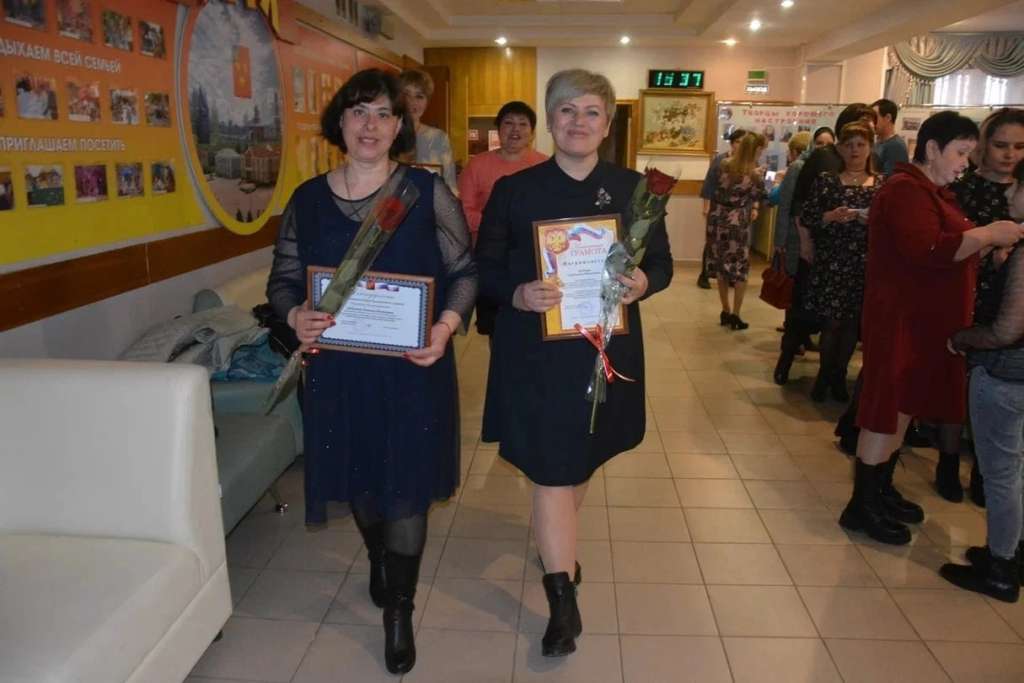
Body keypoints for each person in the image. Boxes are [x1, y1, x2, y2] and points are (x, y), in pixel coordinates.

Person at [265, 69, 477, 675]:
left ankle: (399, 610)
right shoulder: (308, 199)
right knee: (360, 478)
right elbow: (282, 280)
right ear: (340, 121)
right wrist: (296, 314)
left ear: (399, 126)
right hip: (339, 372)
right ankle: (379, 558)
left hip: (413, 368)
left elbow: (464, 273)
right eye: (359, 111)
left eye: (384, 114)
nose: (371, 125)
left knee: (405, 486)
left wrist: (444, 328)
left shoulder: (424, 192)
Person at [475, 68, 673, 658]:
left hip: (603, 349)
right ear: (550, 119)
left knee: (576, 459)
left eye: (590, 112)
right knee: (553, 471)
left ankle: (556, 543)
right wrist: (517, 293)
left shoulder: (635, 190)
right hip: (536, 350)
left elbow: (661, 263)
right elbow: (483, 266)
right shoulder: (515, 190)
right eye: (566, 110)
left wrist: (644, 283)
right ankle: (562, 600)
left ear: (607, 124)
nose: (578, 122)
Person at [840, 111, 1024, 546]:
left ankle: (880, 490)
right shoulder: (905, 189)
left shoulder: (930, 191)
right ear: (933, 149)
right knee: (886, 411)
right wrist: (987, 235)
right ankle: (862, 504)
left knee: (904, 408)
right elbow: (929, 250)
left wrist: (984, 247)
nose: (965, 163)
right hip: (901, 320)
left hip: (921, 322)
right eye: (960, 153)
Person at [947, 108, 1024, 505]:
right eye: (1001, 145)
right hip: (968, 295)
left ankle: (984, 470)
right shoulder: (963, 189)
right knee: (956, 383)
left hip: (1011, 308)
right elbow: (948, 250)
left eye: (1019, 146)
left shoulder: (1020, 189)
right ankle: (948, 460)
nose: (1010, 154)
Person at [941, 242, 1024, 603]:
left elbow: (1007, 330)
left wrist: (963, 338)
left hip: (1007, 372)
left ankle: (1001, 569)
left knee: (1002, 474)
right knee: (1016, 469)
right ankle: (1011, 551)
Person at [801, 122, 883, 402]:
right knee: (831, 321)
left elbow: (891, 222)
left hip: (864, 262)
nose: (854, 151)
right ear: (839, 149)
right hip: (833, 259)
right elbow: (808, 216)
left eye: (860, 144)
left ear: (870, 147)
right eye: (849, 145)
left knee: (851, 322)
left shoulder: (882, 183)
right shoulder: (826, 180)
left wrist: (870, 219)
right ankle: (824, 373)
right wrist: (830, 216)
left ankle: (839, 375)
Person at [706, 131, 766, 330]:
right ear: (756, 150)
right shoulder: (754, 174)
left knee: (721, 267)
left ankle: (725, 309)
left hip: (717, 219)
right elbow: (761, 196)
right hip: (737, 222)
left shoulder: (723, 164)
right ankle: (736, 314)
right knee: (740, 269)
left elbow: (711, 189)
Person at [771, 131, 815, 384]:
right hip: (795, 241)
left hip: (810, 242)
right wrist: (780, 242)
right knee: (794, 291)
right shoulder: (799, 168)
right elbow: (785, 204)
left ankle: (801, 337)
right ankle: (793, 340)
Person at [697, 128, 747, 289]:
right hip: (718, 207)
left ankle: (730, 274)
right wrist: (706, 207)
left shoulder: (749, 162)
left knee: (734, 243)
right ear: (732, 143)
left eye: (743, 142)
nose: (740, 145)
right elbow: (709, 184)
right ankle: (705, 274)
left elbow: (753, 187)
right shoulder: (720, 160)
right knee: (712, 241)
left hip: (738, 210)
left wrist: (755, 207)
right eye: (738, 142)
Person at [399, 68, 458, 193]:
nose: (411, 102)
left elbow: (450, 186)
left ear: (427, 102)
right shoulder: (383, 135)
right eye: (405, 94)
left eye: (419, 96)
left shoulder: (438, 138)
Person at [871, 98, 910, 176]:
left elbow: (892, 179)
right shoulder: (879, 142)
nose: (871, 122)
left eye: (875, 118)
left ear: (888, 118)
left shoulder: (896, 146)